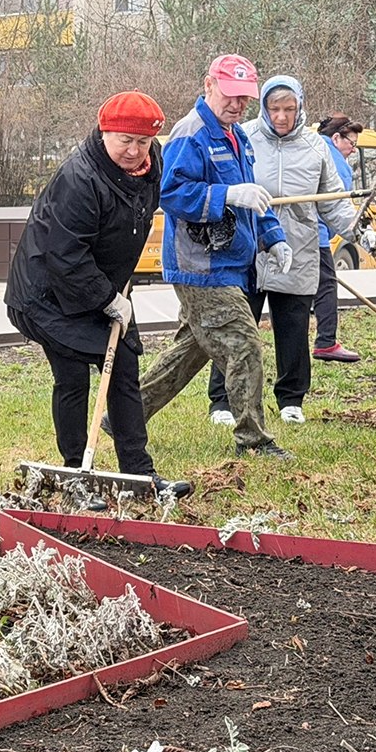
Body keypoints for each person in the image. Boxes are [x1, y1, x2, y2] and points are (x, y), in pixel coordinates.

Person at [6, 91, 192, 500]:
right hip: (48, 293)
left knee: (124, 371)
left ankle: (140, 474)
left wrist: (116, 291)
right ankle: (75, 474)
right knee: (72, 376)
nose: (134, 150)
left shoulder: (152, 163)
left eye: (142, 141)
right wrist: (108, 300)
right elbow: (65, 254)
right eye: (125, 140)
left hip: (105, 284)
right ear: (104, 132)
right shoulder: (79, 179)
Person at [125, 54, 294, 459]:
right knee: (243, 346)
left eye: (244, 97)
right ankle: (253, 441)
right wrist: (226, 195)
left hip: (230, 263)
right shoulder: (191, 134)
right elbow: (169, 194)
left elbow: (253, 197)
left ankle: (124, 417)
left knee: (189, 352)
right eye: (230, 95)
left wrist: (273, 236)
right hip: (202, 266)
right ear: (208, 86)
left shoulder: (237, 136)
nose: (237, 104)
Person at [206, 78, 359, 424]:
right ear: (263, 107)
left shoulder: (316, 147)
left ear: (300, 106)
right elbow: (222, 185)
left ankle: (291, 400)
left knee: (292, 329)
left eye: (289, 109)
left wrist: (358, 230)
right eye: (274, 108)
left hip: (297, 250)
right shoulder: (243, 136)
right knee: (235, 328)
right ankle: (223, 402)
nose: (281, 116)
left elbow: (333, 203)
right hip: (247, 250)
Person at [312, 113, 368, 362]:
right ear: (336, 138)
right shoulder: (336, 162)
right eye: (351, 143)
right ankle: (326, 342)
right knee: (326, 286)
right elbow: (338, 207)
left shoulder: (309, 146)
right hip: (315, 234)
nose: (353, 150)